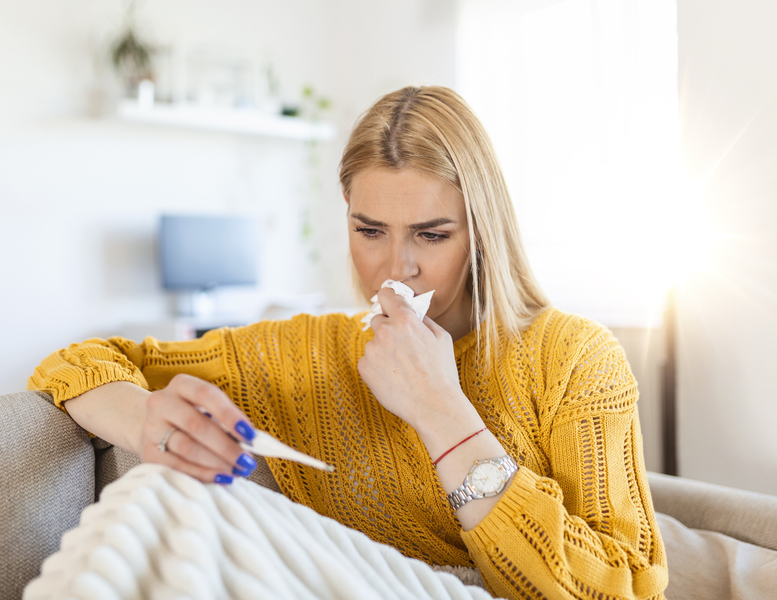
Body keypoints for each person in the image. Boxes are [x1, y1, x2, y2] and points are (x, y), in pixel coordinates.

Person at [29, 86, 668, 599]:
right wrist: (150, 425)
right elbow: (77, 362)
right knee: (155, 497)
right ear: (346, 214)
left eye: (432, 234)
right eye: (370, 230)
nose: (397, 268)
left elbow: (632, 585)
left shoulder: (575, 357)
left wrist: (441, 411)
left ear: (481, 230)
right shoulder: (311, 352)